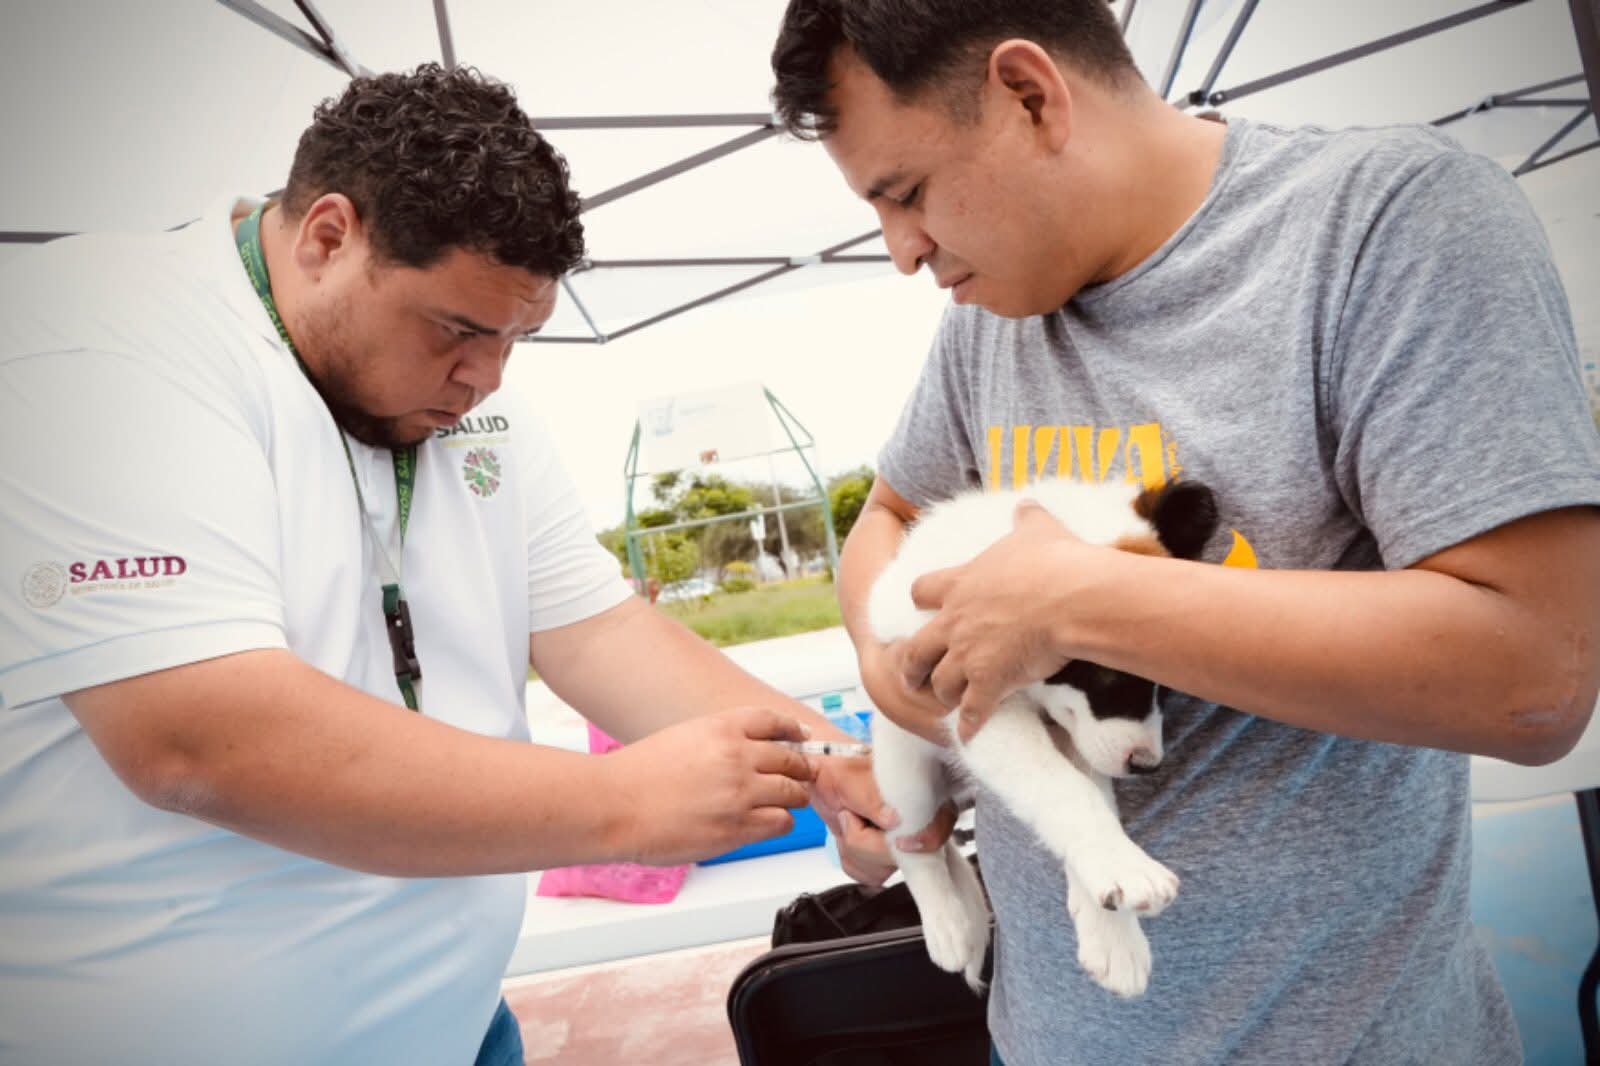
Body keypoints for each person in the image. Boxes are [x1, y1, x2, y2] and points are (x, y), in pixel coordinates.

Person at [0, 63, 943, 1066]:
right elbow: (196, 740)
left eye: (515, 338)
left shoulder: (479, 404)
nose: (486, 377)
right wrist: (624, 805)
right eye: (456, 329)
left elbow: (602, 633)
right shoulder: (100, 344)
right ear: (327, 236)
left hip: (457, 1029)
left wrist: (832, 766)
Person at [770, 1, 1600, 1063]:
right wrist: (895, 667)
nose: (901, 250)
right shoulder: (988, 317)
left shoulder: (1391, 223)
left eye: (909, 193)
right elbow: (886, 516)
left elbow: (1536, 673)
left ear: (1029, 95)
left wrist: (1080, 599)